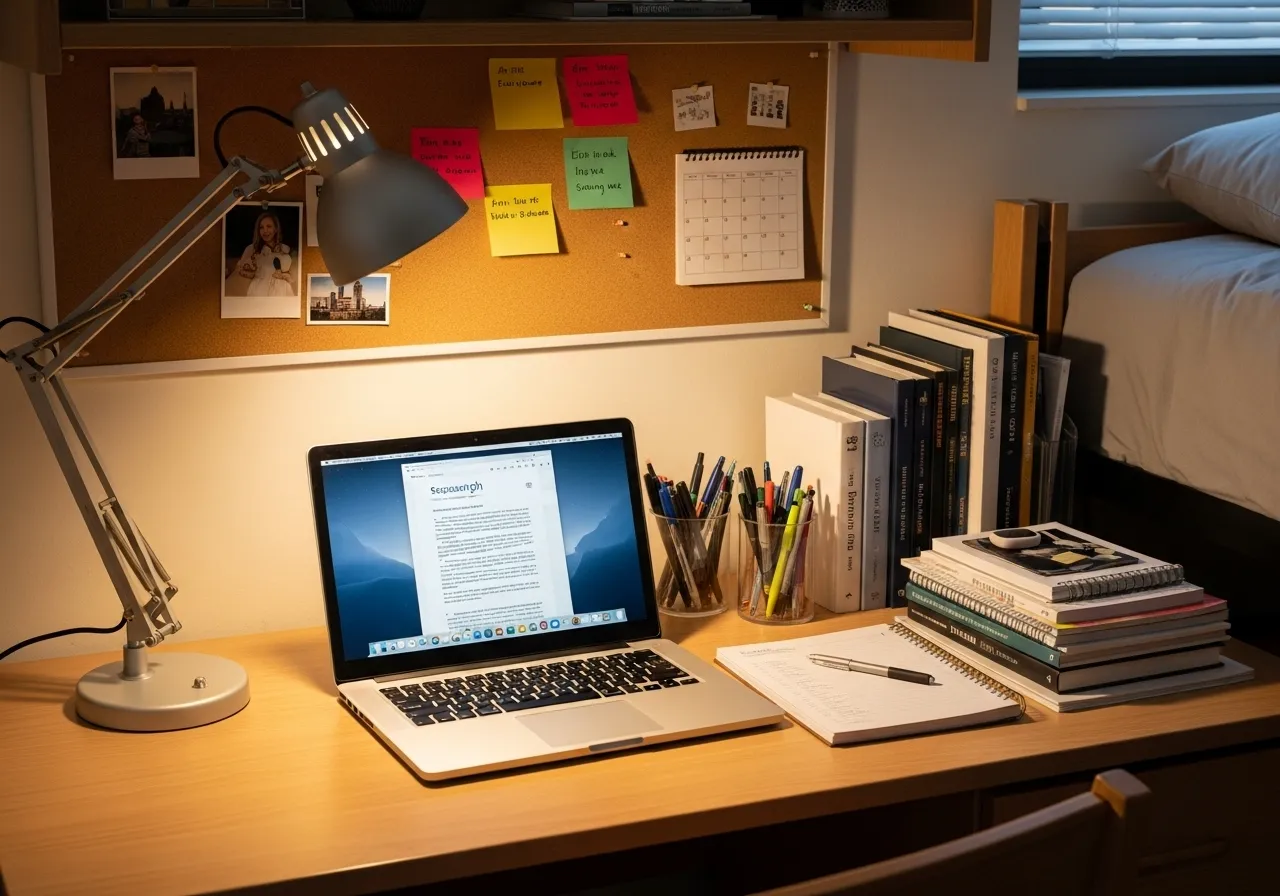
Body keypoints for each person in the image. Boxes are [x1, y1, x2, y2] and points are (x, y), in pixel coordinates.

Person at [236, 211, 295, 298]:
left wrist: (286, 276)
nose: (265, 231)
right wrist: (251, 272)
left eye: (269, 226)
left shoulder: (286, 249)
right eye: (261, 227)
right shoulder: (252, 249)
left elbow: (293, 275)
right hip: (259, 291)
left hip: (282, 292)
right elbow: (240, 269)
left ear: (276, 229)